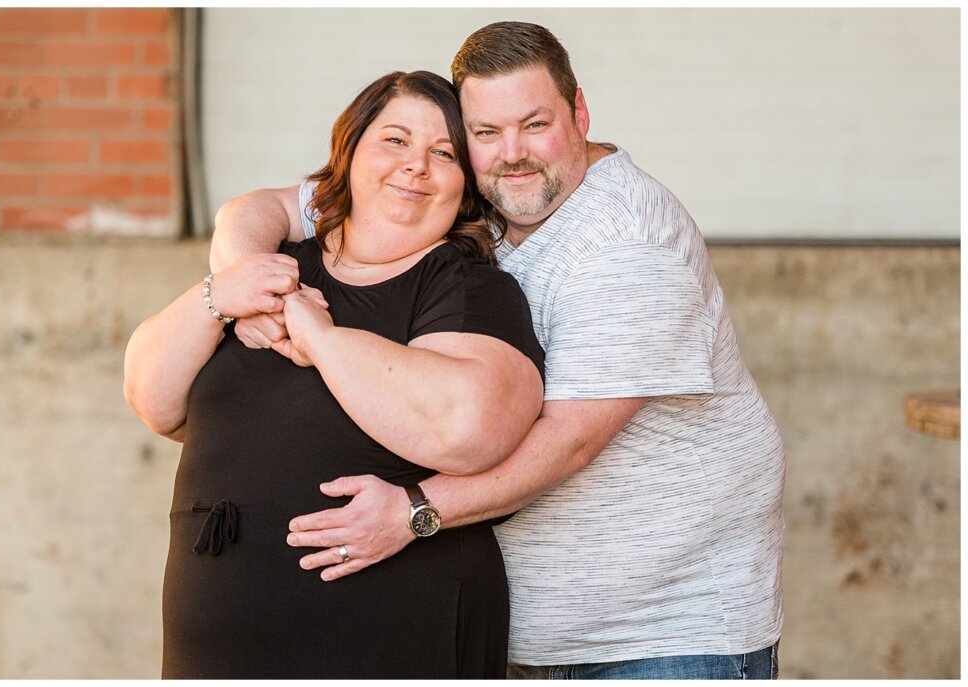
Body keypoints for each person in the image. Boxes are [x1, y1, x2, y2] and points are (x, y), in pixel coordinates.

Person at [213, 21, 785, 681]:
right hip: (533, 634)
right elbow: (259, 209)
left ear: (579, 112)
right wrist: (249, 281)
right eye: (486, 134)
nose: (513, 154)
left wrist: (414, 510)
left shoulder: (628, 242)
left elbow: (570, 441)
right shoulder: (471, 198)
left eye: (535, 124)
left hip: (662, 636)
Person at [123, 70, 545, 679]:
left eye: (444, 153)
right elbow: (154, 402)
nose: (416, 167)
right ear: (347, 155)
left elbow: (470, 427)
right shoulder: (271, 266)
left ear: (467, 184)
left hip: (392, 628)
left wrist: (318, 336)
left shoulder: (471, 289)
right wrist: (218, 295)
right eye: (394, 141)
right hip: (217, 642)